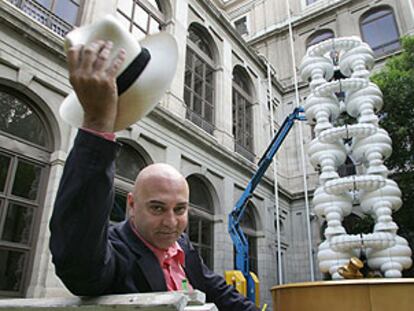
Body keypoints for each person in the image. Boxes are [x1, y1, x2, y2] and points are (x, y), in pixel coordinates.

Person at [49, 40, 258, 311]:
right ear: (132, 205)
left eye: (180, 209)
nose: (171, 222)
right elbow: (78, 265)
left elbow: (218, 291)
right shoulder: (116, 251)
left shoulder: (182, 246)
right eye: (157, 208)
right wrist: (97, 125)